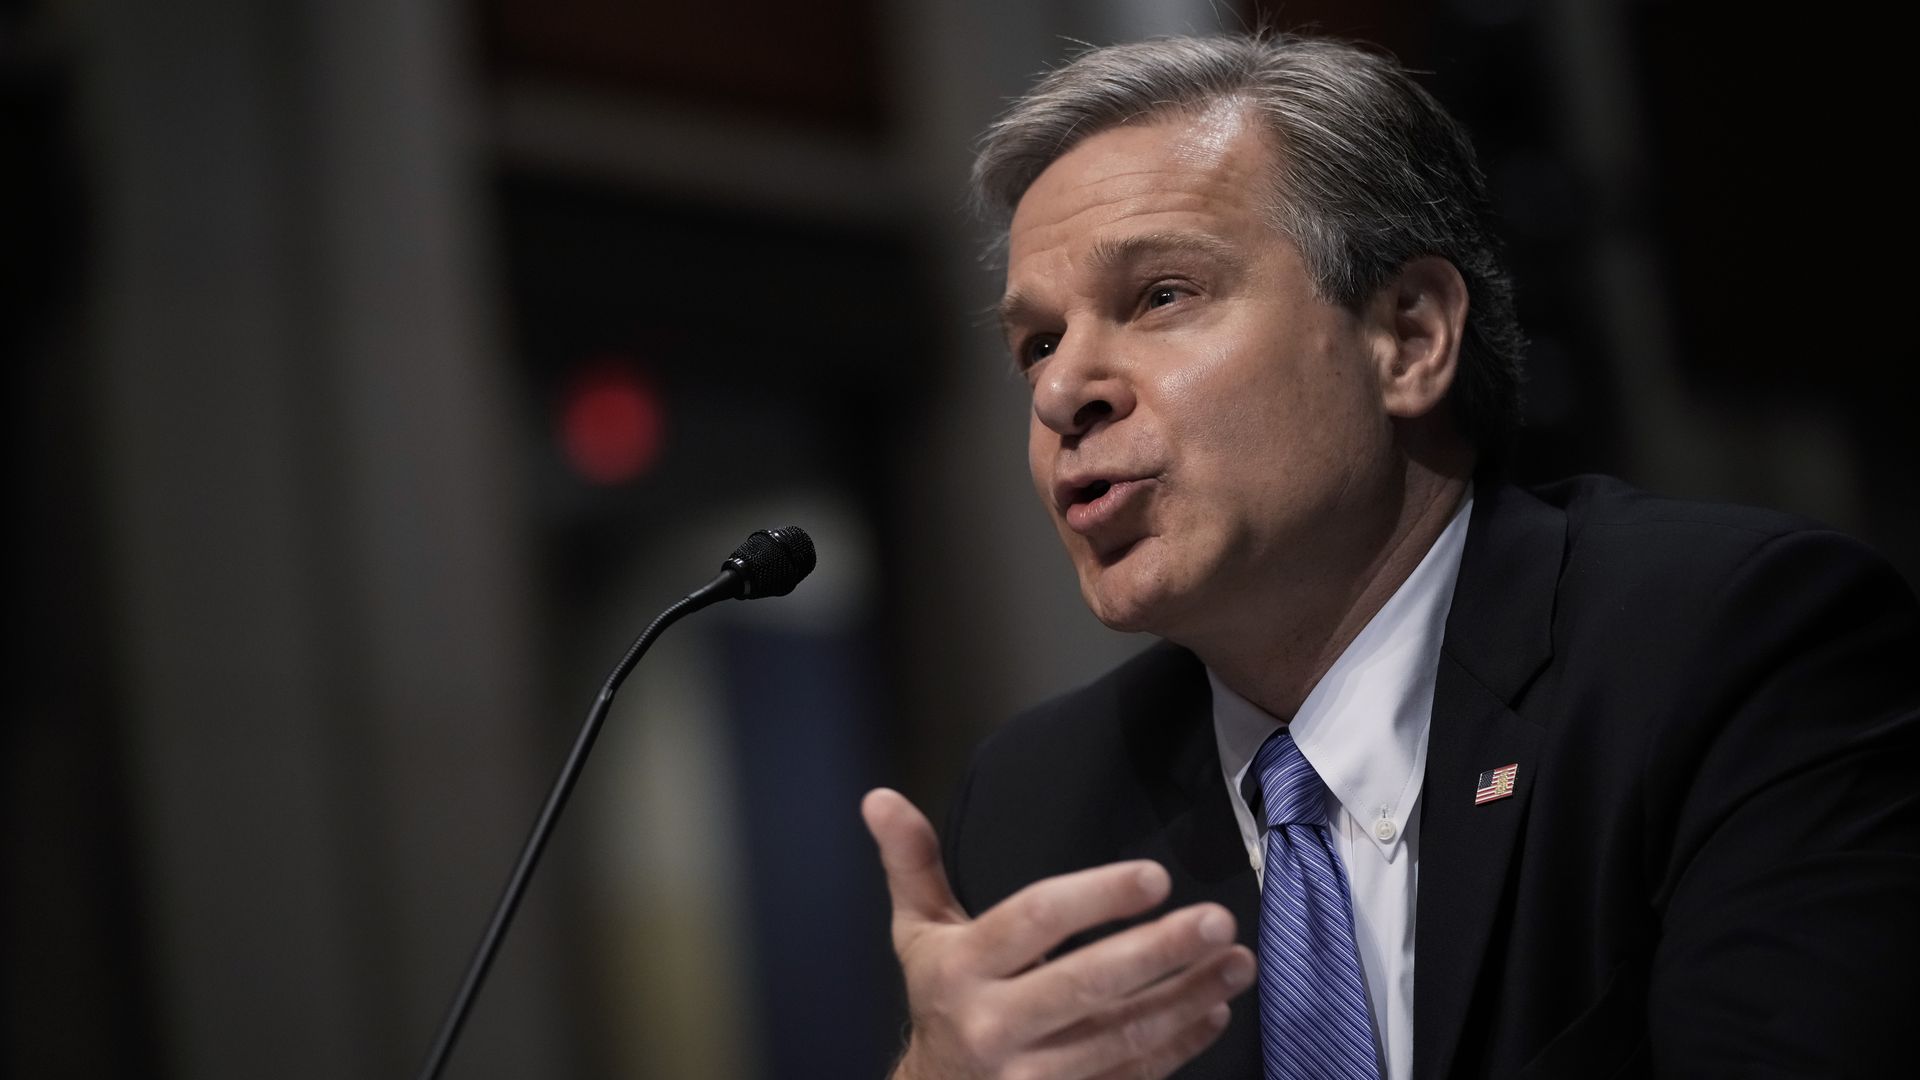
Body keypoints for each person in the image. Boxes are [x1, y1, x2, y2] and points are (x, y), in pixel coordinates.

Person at [860, 32, 1920, 1080]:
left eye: (1161, 295)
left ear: (1408, 337)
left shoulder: (1722, 644)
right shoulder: (1041, 803)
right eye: (1038, 344)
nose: (1060, 392)